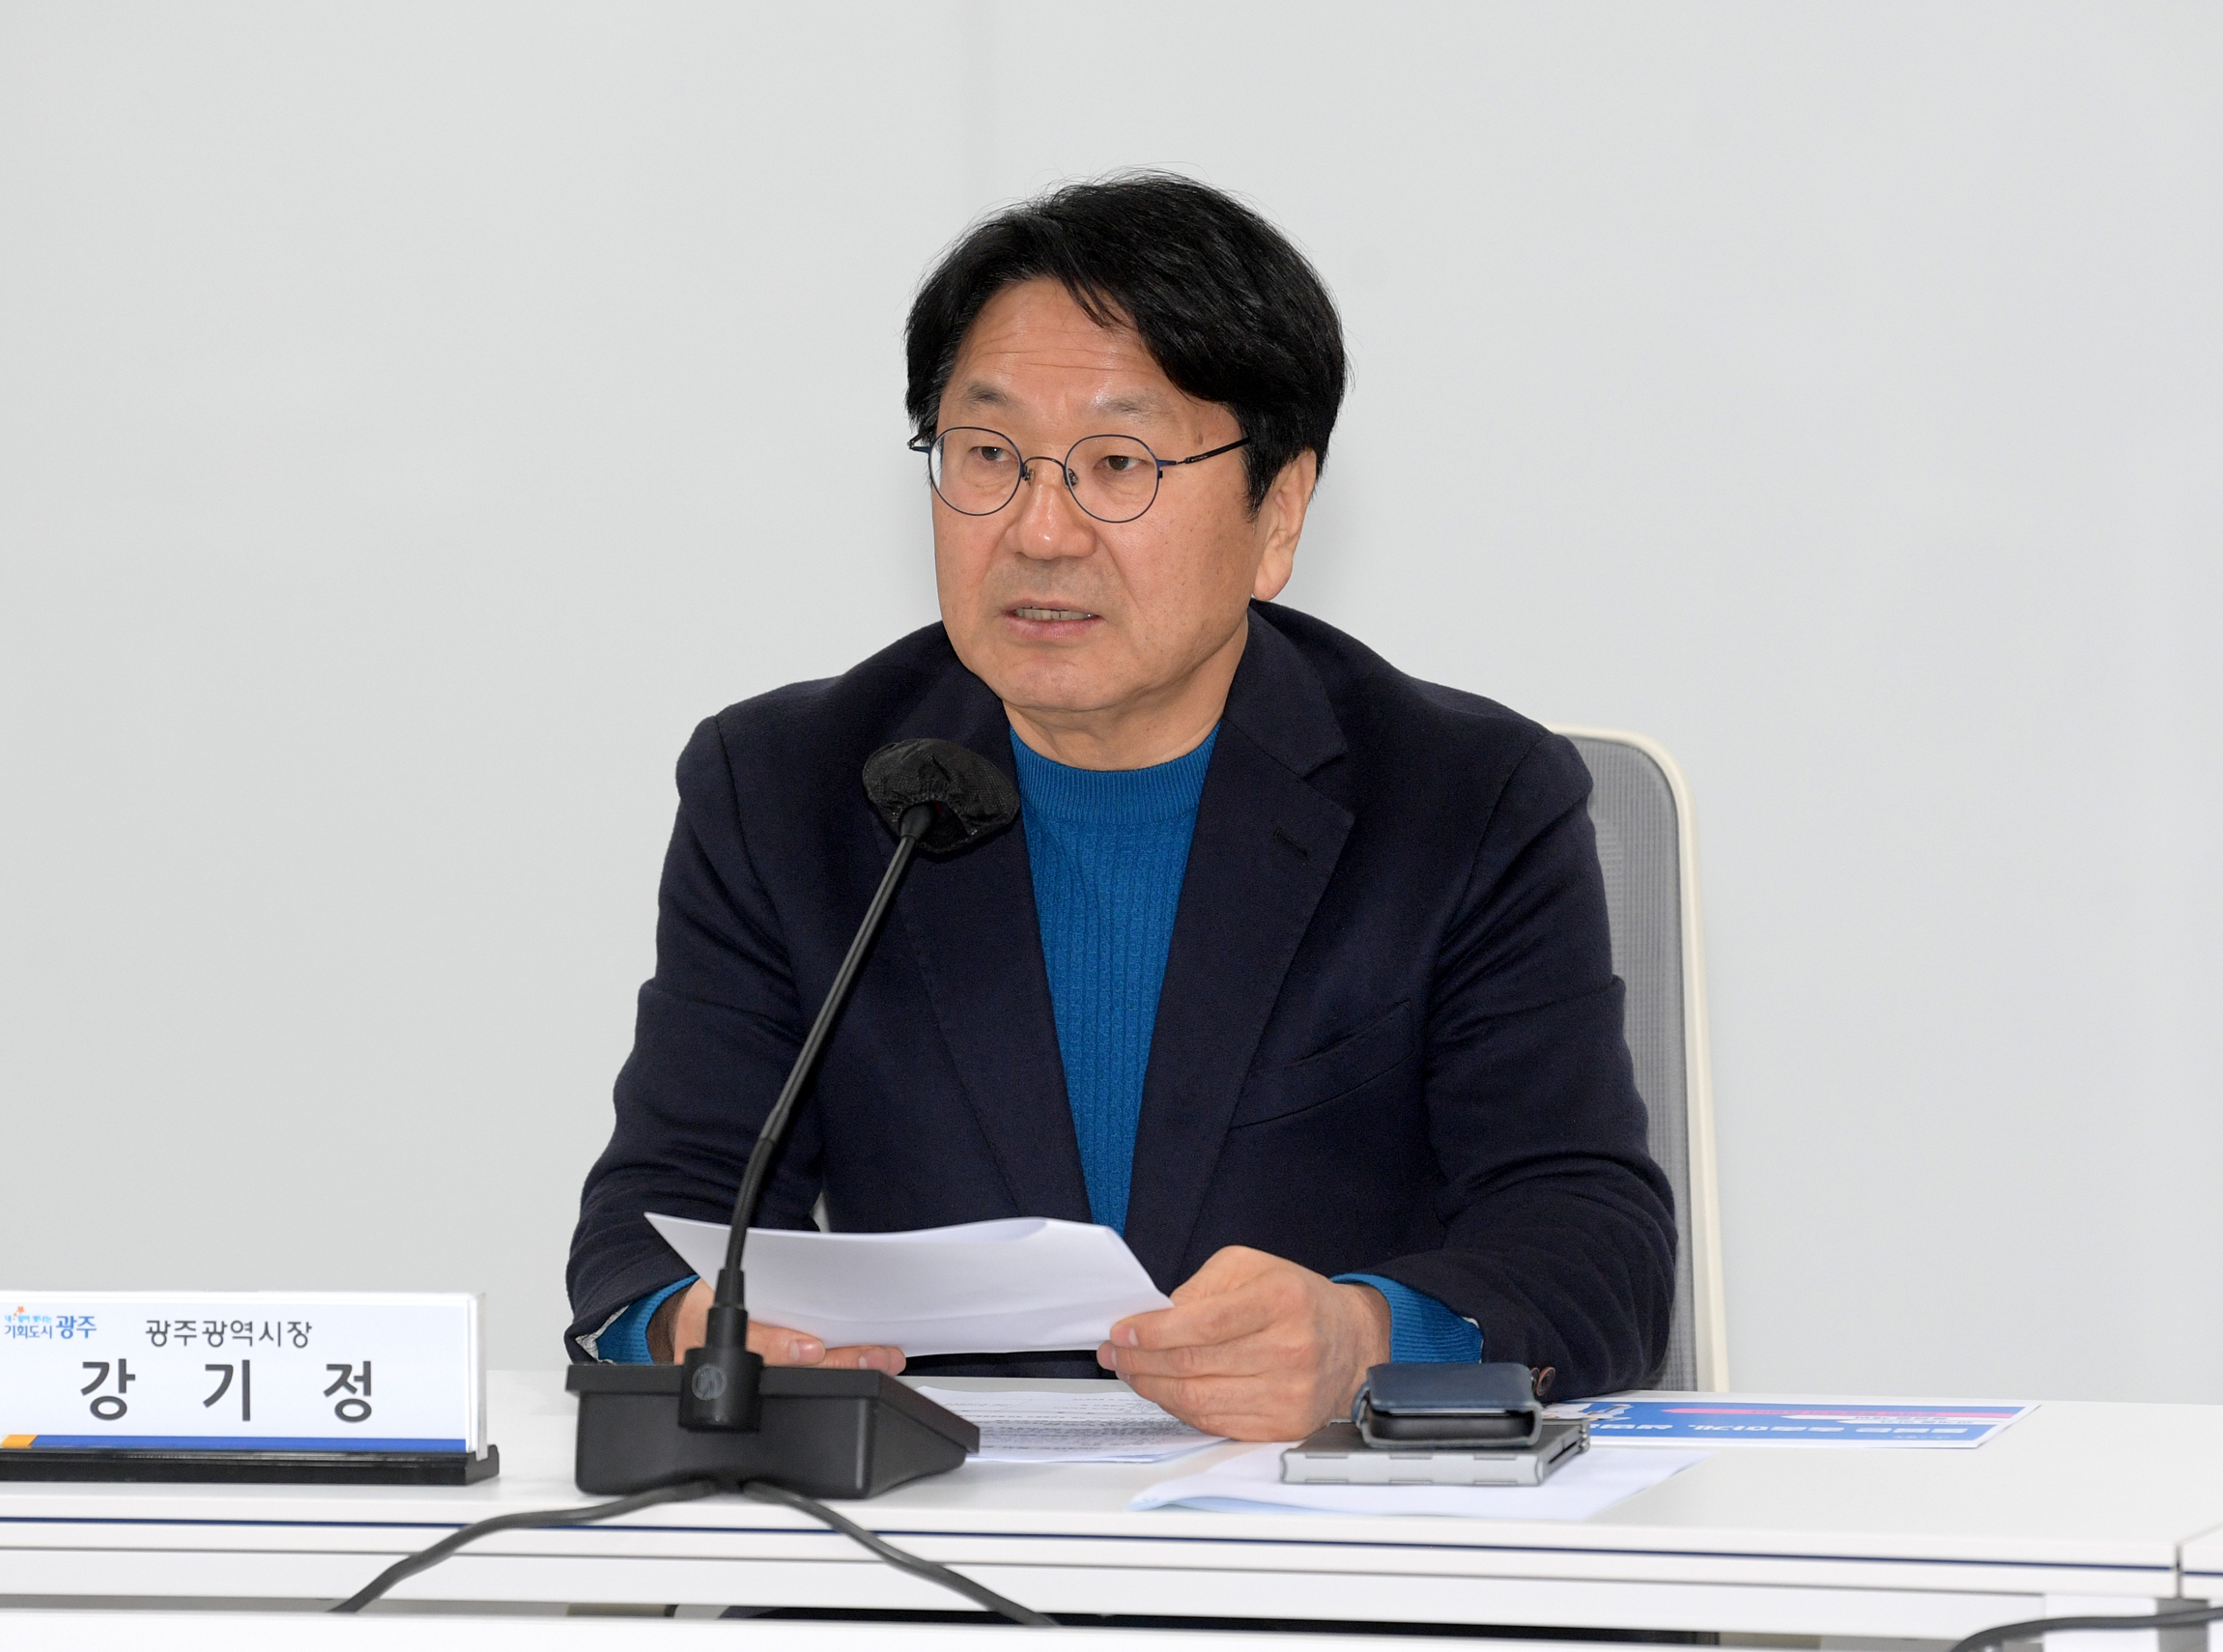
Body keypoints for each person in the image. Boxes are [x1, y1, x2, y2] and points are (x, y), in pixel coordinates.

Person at [565, 173, 1675, 1441]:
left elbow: (1592, 1239)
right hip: (933, 1524)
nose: (1041, 530)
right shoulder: (786, 790)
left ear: (1279, 511)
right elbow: (658, 1211)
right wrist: (690, 1325)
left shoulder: (1466, 800)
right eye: (988, 457)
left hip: (1319, 1527)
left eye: (1117, 465)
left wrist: (1368, 1340)